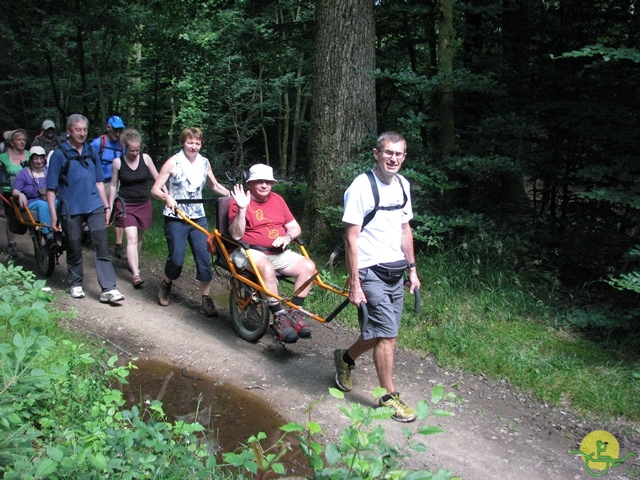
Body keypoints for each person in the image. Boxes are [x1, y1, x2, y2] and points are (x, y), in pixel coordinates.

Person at [333, 131, 420, 423]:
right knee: (388, 335)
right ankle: (387, 397)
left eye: (399, 154)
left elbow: (405, 229)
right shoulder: (361, 186)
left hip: (397, 271)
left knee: (377, 333)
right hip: (370, 270)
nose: (393, 158)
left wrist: (413, 269)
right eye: (388, 153)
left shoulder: (403, 186)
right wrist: (355, 283)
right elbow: (351, 237)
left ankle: (345, 359)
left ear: (404, 157)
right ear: (376, 153)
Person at [228, 164, 316, 343]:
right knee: (266, 268)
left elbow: (294, 227)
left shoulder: (277, 199)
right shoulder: (238, 200)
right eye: (259, 181)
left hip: (278, 252)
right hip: (249, 251)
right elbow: (236, 234)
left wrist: (287, 237)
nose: (264, 185)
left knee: (309, 266)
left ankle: (293, 313)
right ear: (250, 183)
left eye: (268, 182)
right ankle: (279, 318)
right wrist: (243, 209)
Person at [150, 127, 230, 316]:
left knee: (204, 257)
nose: (194, 146)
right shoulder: (173, 162)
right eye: (190, 142)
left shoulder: (204, 163)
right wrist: (166, 198)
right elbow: (155, 189)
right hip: (176, 217)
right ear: (183, 143)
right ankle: (167, 283)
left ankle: (205, 299)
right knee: (177, 259)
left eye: (197, 143)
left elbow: (214, 185)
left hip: (198, 216)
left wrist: (231, 194)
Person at [46, 114, 125, 304]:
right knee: (73, 244)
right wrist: (53, 216)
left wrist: (107, 206)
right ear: (69, 131)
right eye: (77, 130)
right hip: (70, 206)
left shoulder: (90, 151)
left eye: (84, 130)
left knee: (101, 243)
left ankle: (108, 288)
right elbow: (50, 189)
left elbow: (99, 182)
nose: (82, 133)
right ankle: (75, 283)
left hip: (94, 204)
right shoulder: (59, 154)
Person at [109, 129, 162, 287]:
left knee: (139, 238)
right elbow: (113, 185)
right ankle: (136, 274)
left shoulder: (145, 159)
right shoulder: (118, 163)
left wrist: (166, 194)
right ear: (125, 147)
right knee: (131, 238)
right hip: (125, 204)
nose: (135, 153)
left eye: (137, 150)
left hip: (144, 203)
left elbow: (158, 178)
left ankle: (133, 262)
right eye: (132, 150)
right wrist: (109, 205)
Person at [90, 115, 127, 259]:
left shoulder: (122, 145)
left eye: (120, 130)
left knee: (120, 210)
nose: (118, 133)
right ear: (108, 127)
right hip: (99, 182)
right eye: (115, 129)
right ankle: (98, 241)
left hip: (116, 182)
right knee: (99, 211)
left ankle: (118, 246)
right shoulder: (97, 144)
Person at [12, 146, 57, 244]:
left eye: (41, 158)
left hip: (49, 199)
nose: (39, 161)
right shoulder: (24, 172)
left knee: (62, 202)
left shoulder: (48, 170)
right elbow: (15, 191)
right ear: (31, 159)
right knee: (43, 205)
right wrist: (20, 194)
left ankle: (63, 232)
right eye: (36, 158)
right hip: (33, 202)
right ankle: (48, 234)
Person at [0, 129, 29, 257]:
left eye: (24, 139)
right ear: (12, 142)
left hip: (29, 190)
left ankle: (41, 242)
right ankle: (12, 244)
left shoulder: (29, 155)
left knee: (33, 216)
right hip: (10, 192)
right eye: (19, 139)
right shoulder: (3, 157)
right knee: (12, 217)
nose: (22, 142)